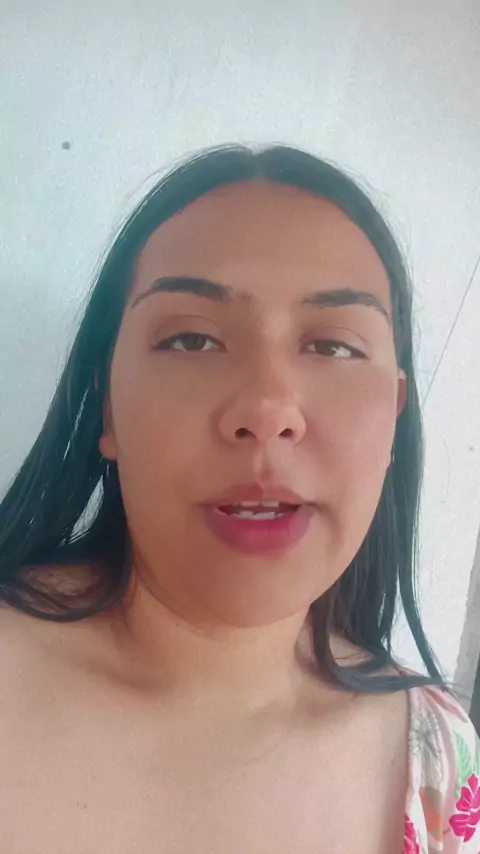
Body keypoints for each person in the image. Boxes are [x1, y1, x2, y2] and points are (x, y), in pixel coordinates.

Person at [0, 143, 478, 853]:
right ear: (107, 406)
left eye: (333, 347)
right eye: (192, 339)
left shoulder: (439, 763)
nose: (267, 409)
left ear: (394, 419)